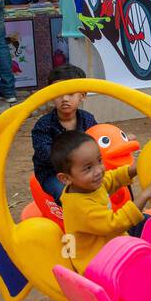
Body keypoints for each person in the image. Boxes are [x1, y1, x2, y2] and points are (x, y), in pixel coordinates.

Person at [53, 130, 151, 274]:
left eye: (99, 161)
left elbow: (111, 179)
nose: (99, 170)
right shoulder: (80, 206)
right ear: (65, 178)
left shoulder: (87, 185)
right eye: (88, 168)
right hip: (100, 263)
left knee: (147, 222)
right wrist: (144, 195)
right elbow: (114, 224)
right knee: (150, 266)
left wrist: (133, 169)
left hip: (110, 244)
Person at [31, 64, 97, 201]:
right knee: (66, 194)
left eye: (71, 93)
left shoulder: (88, 119)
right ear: (51, 95)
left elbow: (98, 139)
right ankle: (75, 217)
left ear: (82, 96)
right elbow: (46, 155)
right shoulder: (43, 125)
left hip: (84, 170)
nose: (65, 99)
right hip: (53, 173)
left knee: (109, 183)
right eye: (59, 94)